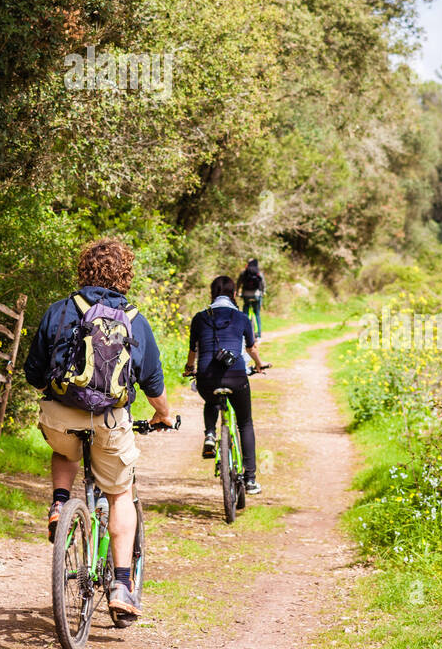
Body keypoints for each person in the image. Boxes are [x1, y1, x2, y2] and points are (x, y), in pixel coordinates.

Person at [24, 237, 174, 622]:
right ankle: (122, 585)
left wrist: (58, 393)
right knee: (120, 492)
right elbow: (153, 383)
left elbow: (34, 371)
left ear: (84, 269)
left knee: (63, 451)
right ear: (124, 274)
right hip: (109, 421)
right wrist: (163, 415)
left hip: (60, 416)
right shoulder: (135, 320)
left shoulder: (60, 310)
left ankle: (60, 503)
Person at [184, 275, 264, 495]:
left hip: (207, 378)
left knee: (211, 399)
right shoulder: (241, 318)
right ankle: (250, 479)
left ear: (211, 294)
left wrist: (190, 368)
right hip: (236, 376)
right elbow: (251, 349)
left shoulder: (200, 318)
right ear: (234, 294)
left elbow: (193, 351)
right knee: (245, 423)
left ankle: (210, 434)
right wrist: (259, 365)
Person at [236, 257, 265, 339]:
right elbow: (263, 284)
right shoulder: (259, 272)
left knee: (245, 314)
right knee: (257, 314)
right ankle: (258, 335)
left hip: (246, 295)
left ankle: (244, 333)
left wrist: (238, 292)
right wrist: (263, 292)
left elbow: (238, 283)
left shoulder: (244, 273)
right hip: (257, 295)